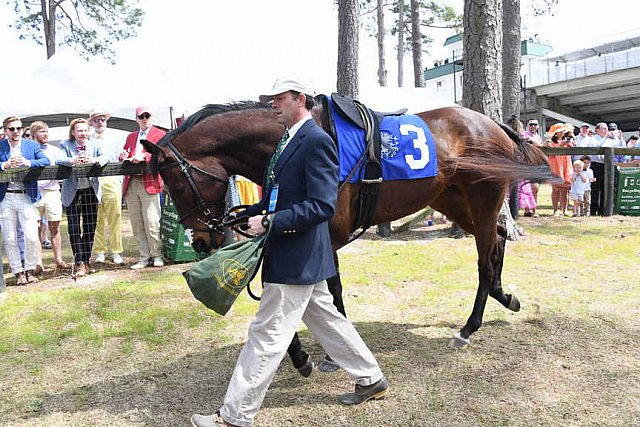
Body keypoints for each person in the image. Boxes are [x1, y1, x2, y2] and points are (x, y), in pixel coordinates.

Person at [190, 77, 388, 427]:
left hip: (297, 254)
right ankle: (370, 377)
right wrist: (252, 215)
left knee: (266, 335)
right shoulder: (289, 141)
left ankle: (235, 416)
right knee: (327, 319)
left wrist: (270, 223)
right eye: (271, 99)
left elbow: (322, 205)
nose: (272, 105)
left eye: (279, 98)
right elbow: (280, 196)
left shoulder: (316, 141)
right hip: (299, 253)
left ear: (300, 99)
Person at [0, 116, 51, 285]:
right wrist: (4, 165)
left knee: (30, 236)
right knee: (10, 238)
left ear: (22, 130)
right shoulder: (0, 146)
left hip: (26, 195)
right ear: (5, 130)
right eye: (12, 129)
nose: (16, 132)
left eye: (18, 128)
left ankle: (30, 269)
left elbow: (46, 161)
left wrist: (28, 162)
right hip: (6, 196)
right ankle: (18, 272)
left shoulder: (31, 145)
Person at [58, 118, 109, 277]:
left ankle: (85, 261)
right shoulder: (65, 144)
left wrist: (94, 160)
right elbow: (58, 159)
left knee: (89, 228)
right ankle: (79, 262)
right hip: (72, 192)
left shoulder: (96, 144)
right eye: (80, 130)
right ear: (73, 132)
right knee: (73, 229)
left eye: (86, 130)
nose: (83, 133)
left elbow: (106, 156)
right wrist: (72, 160)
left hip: (90, 191)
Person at [120, 106, 166, 269]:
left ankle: (157, 255)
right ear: (136, 119)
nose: (144, 119)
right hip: (131, 182)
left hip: (150, 182)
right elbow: (124, 153)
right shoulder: (131, 136)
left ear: (152, 117)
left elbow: (161, 154)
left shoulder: (160, 134)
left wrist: (143, 157)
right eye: (141, 117)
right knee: (137, 223)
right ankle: (144, 257)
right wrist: (124, 156)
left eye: (147, 116)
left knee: (152, 221)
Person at [29, 121, 72, 271]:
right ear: (34, 134)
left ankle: (59, 259)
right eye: (42, 132)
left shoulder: (55, 150)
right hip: (34, 193)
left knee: (55, 226)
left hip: (52, 192)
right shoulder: (28, 150)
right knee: (35, 228)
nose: (46, 134)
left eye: (47, 131)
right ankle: (38, 262)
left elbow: (64, 161)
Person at [88, 109, 124, 265]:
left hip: (111, 180)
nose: (100, 122)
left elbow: (119, 158)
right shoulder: (88, 138)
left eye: (102, 119)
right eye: (96, 120)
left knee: (115, 216)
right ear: (92, 123)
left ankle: (116, 250)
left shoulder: (115, 137)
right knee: (97, 218)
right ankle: (100, 251)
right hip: (95, 181)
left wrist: (119, 180)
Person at [545, 123, 573, 217]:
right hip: (555, 165)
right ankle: (555, 210)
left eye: (563, 130)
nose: (562, 132)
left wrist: (571, 136)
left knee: (565, 189)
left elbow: (574, 146)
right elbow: (551, 151)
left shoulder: (567, 141)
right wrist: (561, 145)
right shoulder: (551, 142)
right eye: (560, 130)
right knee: (556, 189)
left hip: (566, 165)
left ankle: (564, 210)